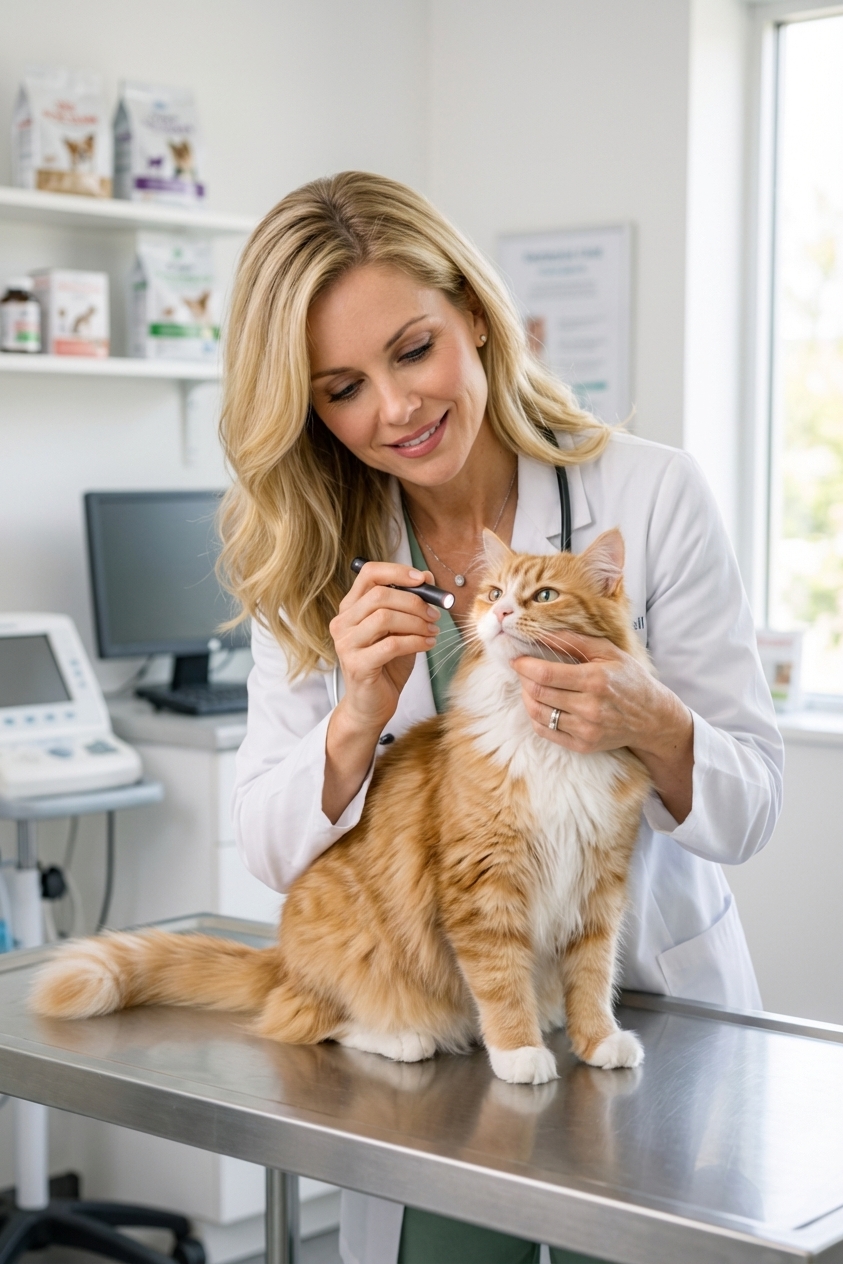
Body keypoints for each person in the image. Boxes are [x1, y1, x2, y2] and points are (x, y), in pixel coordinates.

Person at [219, 171, 783, 1264]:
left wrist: (653, 722)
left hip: (649, 1015)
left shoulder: (650, 494)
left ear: (475, 315)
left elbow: (751, 804)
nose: (393, 409)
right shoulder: (309, 558)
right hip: (436, 1051)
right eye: (340, 387)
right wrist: (353, 720)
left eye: (414, 349)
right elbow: (266, 843)